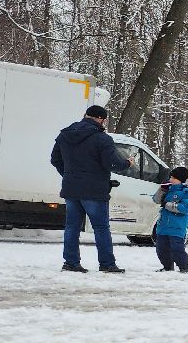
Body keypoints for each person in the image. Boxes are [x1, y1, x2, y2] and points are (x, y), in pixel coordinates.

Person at [50, 104, 133, 274]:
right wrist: (127, 163)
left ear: (85, 115)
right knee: (101, 228)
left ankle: (71, 263)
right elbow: (113, 164)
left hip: (71, 189)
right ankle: (107, 264)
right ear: (101, 120)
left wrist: (69, 175)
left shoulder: (65, 135)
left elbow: (55, 159)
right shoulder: (102, 139)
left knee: (72, 227)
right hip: (94, 190)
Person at [152, 167, 188, 272]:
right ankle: (167, 267)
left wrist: (167, 204)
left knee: (177, 249)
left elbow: (185, 208)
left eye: (173, 178)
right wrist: (161, 189)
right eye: (170, 177)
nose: (170, 179)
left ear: (180, 179)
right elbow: (156, 200)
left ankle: (183, 268)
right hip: (163, 225)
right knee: (161, 249)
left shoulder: (187, 192)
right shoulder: (169, 189)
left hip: (177, 227)